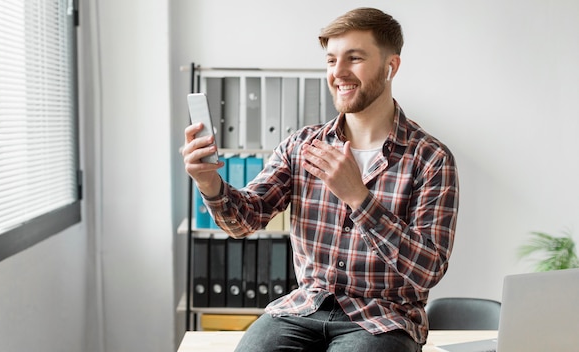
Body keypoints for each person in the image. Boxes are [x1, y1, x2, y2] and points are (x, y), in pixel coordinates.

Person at [182, 7, 459, 352]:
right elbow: (245, 219)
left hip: (383, 320)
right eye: (331, 61)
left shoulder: (431, 158)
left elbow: (428, 269)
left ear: (391, 67)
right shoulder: (301, 146)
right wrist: (210, 182)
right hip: (303, 308)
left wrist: (359, 198)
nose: (338, 73)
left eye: (354, 58)